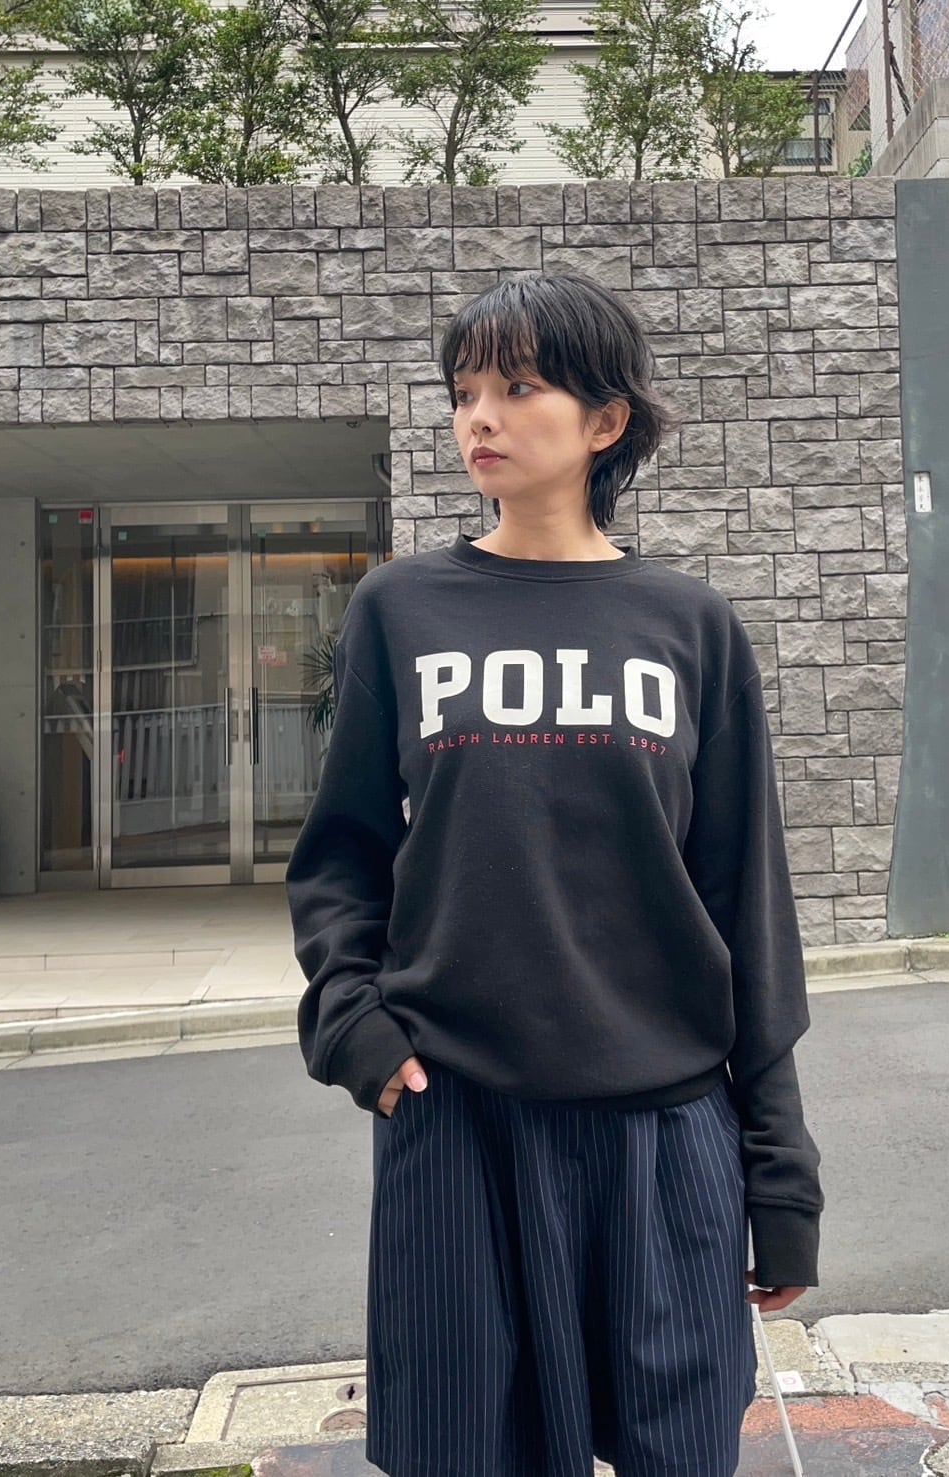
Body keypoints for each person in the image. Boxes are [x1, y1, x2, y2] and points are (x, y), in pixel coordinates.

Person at [286, 270, 824, 1477]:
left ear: (604, 421)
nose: (479, 416)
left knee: (679, 1449)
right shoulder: (399, 609)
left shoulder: (689, 626)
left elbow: (745, 902)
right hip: (456, 1123)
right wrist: (355, 1028)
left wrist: (779, 1172)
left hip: (663, 1132)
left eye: (519, 387)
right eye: (463, 390)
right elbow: (341, 853)